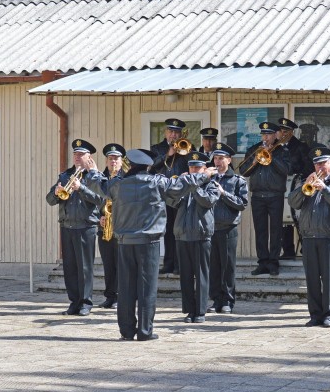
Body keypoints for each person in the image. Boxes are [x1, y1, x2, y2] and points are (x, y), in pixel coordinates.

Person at [83, 149, 216, 341]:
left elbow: (97, 184)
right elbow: (183, 183)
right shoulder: (157, 182)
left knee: (126, 288)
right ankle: (145, 331)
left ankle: (127, 331)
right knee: (147, 288)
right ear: (148, 166)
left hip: (125, 242)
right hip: (149, 243)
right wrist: (204, 175)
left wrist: (93, 170)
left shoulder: (118, 185)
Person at [288, 145, 330, 327]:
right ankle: (315, 314)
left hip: (329, 237)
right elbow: (293, 202)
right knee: (312, 278)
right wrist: (302, 188)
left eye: (323, 164)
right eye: (317, 165)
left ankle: (329, 313)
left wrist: (325, 189)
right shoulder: (308, 183)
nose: (320, 168)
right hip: (309, 237)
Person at [45, 139, 103, 316]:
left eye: (81, 154)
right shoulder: (64, 176)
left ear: (89, 157)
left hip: (86, 227)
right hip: (67, 225)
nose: (77, 157)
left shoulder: (95, 176)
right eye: (75, 154)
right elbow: (49, 200)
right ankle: (74, 302)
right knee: (69, 267)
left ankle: (86, 302)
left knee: (85, 267)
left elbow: (101, 200)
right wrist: (56, 194)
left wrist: (81, 188)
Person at [168, 152, 220, 323]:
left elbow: (207, 202)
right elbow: (171, 201)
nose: (194, 170)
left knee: (202, 274)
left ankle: (200, 311)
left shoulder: (211, 184)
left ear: (205, 169)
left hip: (201, 235)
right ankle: (190, 310)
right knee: (186, 276)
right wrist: (181, 185)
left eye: (198, 168)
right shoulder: (184, 185)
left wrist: (194, 185)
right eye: (191, 167)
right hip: (182, 235)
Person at [239, 121, 291, 276]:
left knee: (276, 230)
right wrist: (255, 160)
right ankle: (262, 262)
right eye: (264, 134)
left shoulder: (283, 151)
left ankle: (273, 262)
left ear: (276, 135)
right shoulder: (254, 150)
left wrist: (272, 156)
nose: (266, 137)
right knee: (260, 230)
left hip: (275, 195)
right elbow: (243, 171)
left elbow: (286, 170)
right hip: (258, 196)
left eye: (269, 134)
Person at [150, 118, 196, 275]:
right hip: (163, 194)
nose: (173, 135)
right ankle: (168, 263)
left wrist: (186, 152)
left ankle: (179, 264)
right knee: (167, 229)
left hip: (181, 194)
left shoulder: (188, 147)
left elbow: (195, 166)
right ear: (166, 132)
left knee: (179, 230)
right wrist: (168, 154)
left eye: (176, 132)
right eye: (171, 131)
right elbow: (151, 167)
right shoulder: (157, 148)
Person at [207, 143, 248, 314]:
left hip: (228, 228)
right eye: (216, 158)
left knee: (227, 266)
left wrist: (224, 193)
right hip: (210, 228)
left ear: (229, 160)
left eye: (221, 158)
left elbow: (242, 204)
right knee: (214, 267)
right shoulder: (209, 178)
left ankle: (228, 301)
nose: (217, 161)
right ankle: (216, 300)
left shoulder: (237, 180)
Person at [97, 143, 127, 309]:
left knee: (121, 265)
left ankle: (121, 297)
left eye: (116, 158)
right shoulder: (100, 178)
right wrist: (98, 219)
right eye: (110, 158)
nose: (113, 161)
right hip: (104, 227)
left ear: (121, 161)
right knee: (108, 265)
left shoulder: (127, 178)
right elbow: (92, 202)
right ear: (107, 161)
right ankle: (110, 297)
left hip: (121, 228)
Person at [277, 118, 312, 260]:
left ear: (291, 132)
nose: (283, 134)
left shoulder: (301, 147)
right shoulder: (276, 147)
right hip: (280, 185)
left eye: (286, 131)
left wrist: (296, 173)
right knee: (283, 220)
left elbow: (308, 167)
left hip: (296, 184)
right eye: (281, 131)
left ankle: (306, 248)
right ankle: (288, 251)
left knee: (299, 217)